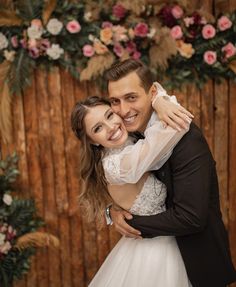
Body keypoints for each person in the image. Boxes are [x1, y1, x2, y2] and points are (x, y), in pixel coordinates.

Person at [103, 59, 236, 287]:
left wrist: (130, 222)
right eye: (115, 101)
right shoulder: (129, 137)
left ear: (152, 92)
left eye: (131, 97)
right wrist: (111, 211)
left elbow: (191, 217)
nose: (123, 110)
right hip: (150, 261)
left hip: (196, 263)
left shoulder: (185, 138)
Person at [71, 86, 193, 286]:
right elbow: (177, 124)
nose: (110, 127)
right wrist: (158, 101)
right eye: (98, 128)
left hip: (170, 240)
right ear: (92, 141)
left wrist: (158, 101)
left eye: (110, 115)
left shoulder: (130, 140)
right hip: (156, 251)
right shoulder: (118, 164)